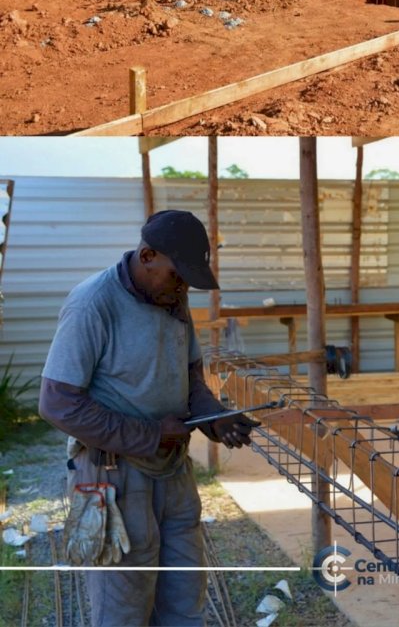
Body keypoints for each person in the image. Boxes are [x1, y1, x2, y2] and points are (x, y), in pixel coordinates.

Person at [39, 209, 258, 627]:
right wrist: (151, 434)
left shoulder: (171, 297)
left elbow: (190, 376)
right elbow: (57, 403)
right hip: (114, 477)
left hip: (173, 473)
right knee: (123, 612)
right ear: (147, 256)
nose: (182, 288)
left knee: (184, 603)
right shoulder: (92, 304)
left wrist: (215, 418)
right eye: (177, 275)